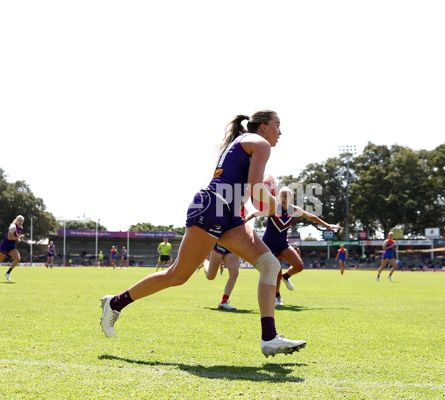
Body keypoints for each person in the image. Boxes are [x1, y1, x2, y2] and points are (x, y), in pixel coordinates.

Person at [100, 110, 306, 357]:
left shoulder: (245, 142)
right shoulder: (260, 143)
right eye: (277, 125)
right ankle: (115, 303)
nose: (280, 132)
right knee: (177, 275)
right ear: (263, 127)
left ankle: (269, 338)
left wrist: (269, 201)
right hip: (214, 206)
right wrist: (274, 203)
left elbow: (249, 191)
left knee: (270, 266)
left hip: (226, 210)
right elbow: (255, 191)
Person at [245, 186, 341, 305]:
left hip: (282, 244)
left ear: (290, 198)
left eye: (286, 196)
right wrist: (246, 219)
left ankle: (286, 277)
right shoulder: (274, 208)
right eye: (281, 196)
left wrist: (327, 225)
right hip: (269, 245)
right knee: (276, 272)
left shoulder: (294, 210)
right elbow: (255, 214)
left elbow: (310, 216)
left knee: (299, 265)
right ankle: (277, 296)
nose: (283, 198)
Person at [0, 216, 25, 282]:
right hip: (5, 246)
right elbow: (9, 237)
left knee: (18, 259)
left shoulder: (20, 228)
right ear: (16, 220)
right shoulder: (13, 227)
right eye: (19, 220)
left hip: (11, 247)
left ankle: (7, 273)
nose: (20, 222)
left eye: (21, 221)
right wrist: (17, 237)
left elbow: (17, 239)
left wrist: (19, 238)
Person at [203, 243, 240, 310]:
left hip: (232, 246)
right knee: (210, 276)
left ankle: (223, 302)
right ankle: (205, 261)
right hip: (218, 246)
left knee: (234, 274)